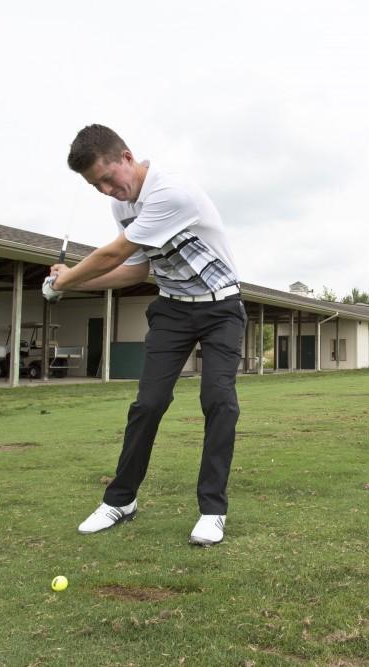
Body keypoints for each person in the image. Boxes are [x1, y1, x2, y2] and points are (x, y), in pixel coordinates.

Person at [44, 124, 245, 546]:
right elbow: (134, 268)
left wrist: (65, 280)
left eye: (107, 178)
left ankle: (212, 510)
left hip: (220, 306)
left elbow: (112, 254)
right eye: (95, 185)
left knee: (218, 401)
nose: (105, 190)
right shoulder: (123, 205)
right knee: (148, 404)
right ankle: (121, 500)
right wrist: (74, 282)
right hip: (172, 309)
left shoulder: (169, 193)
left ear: (127, 158)